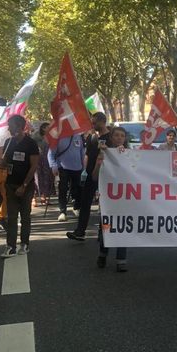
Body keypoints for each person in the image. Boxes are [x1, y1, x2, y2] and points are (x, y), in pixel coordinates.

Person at [0, 115, 39, 258]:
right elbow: (4, 163)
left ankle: (25, 244)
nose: (8, 128)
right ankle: (10, 246)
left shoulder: (31, 143)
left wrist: (24, 185)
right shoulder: (8, 142)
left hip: (26, 186)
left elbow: (34, 166)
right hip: (10, 185)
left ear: (19, 127)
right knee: (11, 217)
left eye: (11, 125)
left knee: (25, 216)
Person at [67, 112, 110, 241]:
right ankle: (80, 231)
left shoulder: (110, 137)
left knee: (106, 204)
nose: (93, 124)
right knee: (85, 201)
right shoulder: (91, 137)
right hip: (90, 173)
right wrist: (84, 170)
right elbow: (87, 154)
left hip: (105, 174)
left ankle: (105, 233)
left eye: (95, 122)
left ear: (103, 121)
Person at [93, 126, 129, 272]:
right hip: (108, 197)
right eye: (117, 135)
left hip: (126, 196)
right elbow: (94, 176)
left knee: (123, 225)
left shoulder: (129, 154)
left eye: (122, 135)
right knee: (106, 227)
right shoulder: (103, 153)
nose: (119, 138)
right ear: (111, 138)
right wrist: (100, 161)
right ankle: (103, 253)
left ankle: (121, 259)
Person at [48, 133, 85, 221]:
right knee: (63, 189)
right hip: (63, 167)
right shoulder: (58, 137)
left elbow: (81, 152)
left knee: (78, 189)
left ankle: (76, 207)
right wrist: (53, 165)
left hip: (77, 167)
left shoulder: (78, 136)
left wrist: (84, 167)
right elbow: (50, 153)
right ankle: (62, 212)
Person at [33, 123, 54, 206]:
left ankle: (44, 196)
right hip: (37, 159)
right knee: (37, 177)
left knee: (47, 177)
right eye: (48, 127)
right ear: (44, 128)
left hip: (47, 159)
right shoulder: (35, 136)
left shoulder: (51, 136)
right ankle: (34, 198)